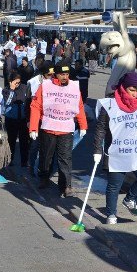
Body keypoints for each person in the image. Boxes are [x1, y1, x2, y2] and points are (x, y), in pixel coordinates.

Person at [93, 72, 137, 225]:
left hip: (136, 150)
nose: (135, 94)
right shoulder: (110, 104)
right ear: (124, 88)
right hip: (117, 151)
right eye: (132, 89)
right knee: (114, 185)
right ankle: (111, 214)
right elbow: (100, 129)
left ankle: (130, 198)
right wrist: (97, 150)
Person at [29, 61, 88, 196]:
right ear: (55, 74)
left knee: (65, 158)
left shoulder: (73, 87)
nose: (65, 77)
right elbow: (36, 106)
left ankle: (66, 185)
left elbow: (78, 106)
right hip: (48, 128)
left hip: (66, 129)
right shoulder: (45, 86)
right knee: (46, 157)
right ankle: (44, 177)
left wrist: (83, 125)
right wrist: (33, 128)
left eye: (67, 74)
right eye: (62, 74)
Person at [25, 61, 54, 174]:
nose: (51, 77)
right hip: (36, 119)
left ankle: (43, 169)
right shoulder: (32, 82)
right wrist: (28, 120)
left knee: (46, 146)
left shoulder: (54, 82)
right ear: (43, 74)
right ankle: (31, 166)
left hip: (49, 119)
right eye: (49, 75)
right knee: (34, 145)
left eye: (52, 75)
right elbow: (28, 103)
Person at [3, 72, 29, 167]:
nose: (17, 84)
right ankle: (10, 159)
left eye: (18, 82)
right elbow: (7, 102)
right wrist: (11, 90)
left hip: (23, 118)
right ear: (11, 82)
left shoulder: (24, 87)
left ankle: (24, 161)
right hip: (11, 119)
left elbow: (28, 100)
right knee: (11, 141)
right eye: (15, 83)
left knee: (24, 141)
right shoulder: (6, 90)